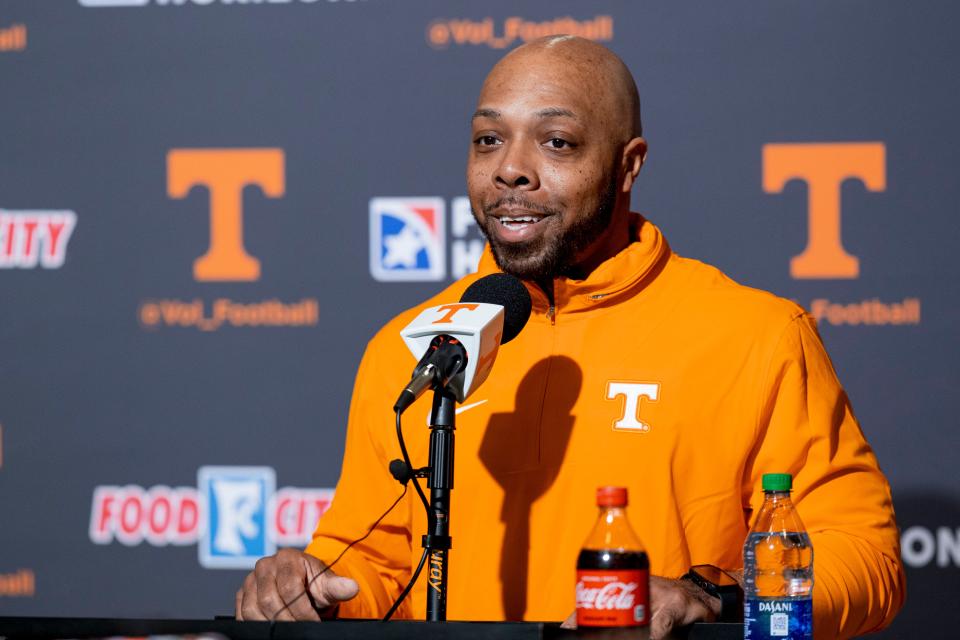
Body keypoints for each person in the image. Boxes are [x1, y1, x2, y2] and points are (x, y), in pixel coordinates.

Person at [236, 36, 905, 638]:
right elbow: (378, 566)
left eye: (556, 143)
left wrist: (713, 594)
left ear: (628, 166)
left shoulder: (756, 334)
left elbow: (863, 557)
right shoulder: (415, 345)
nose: (511, 170)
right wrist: (310, 587)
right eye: (488, 140)